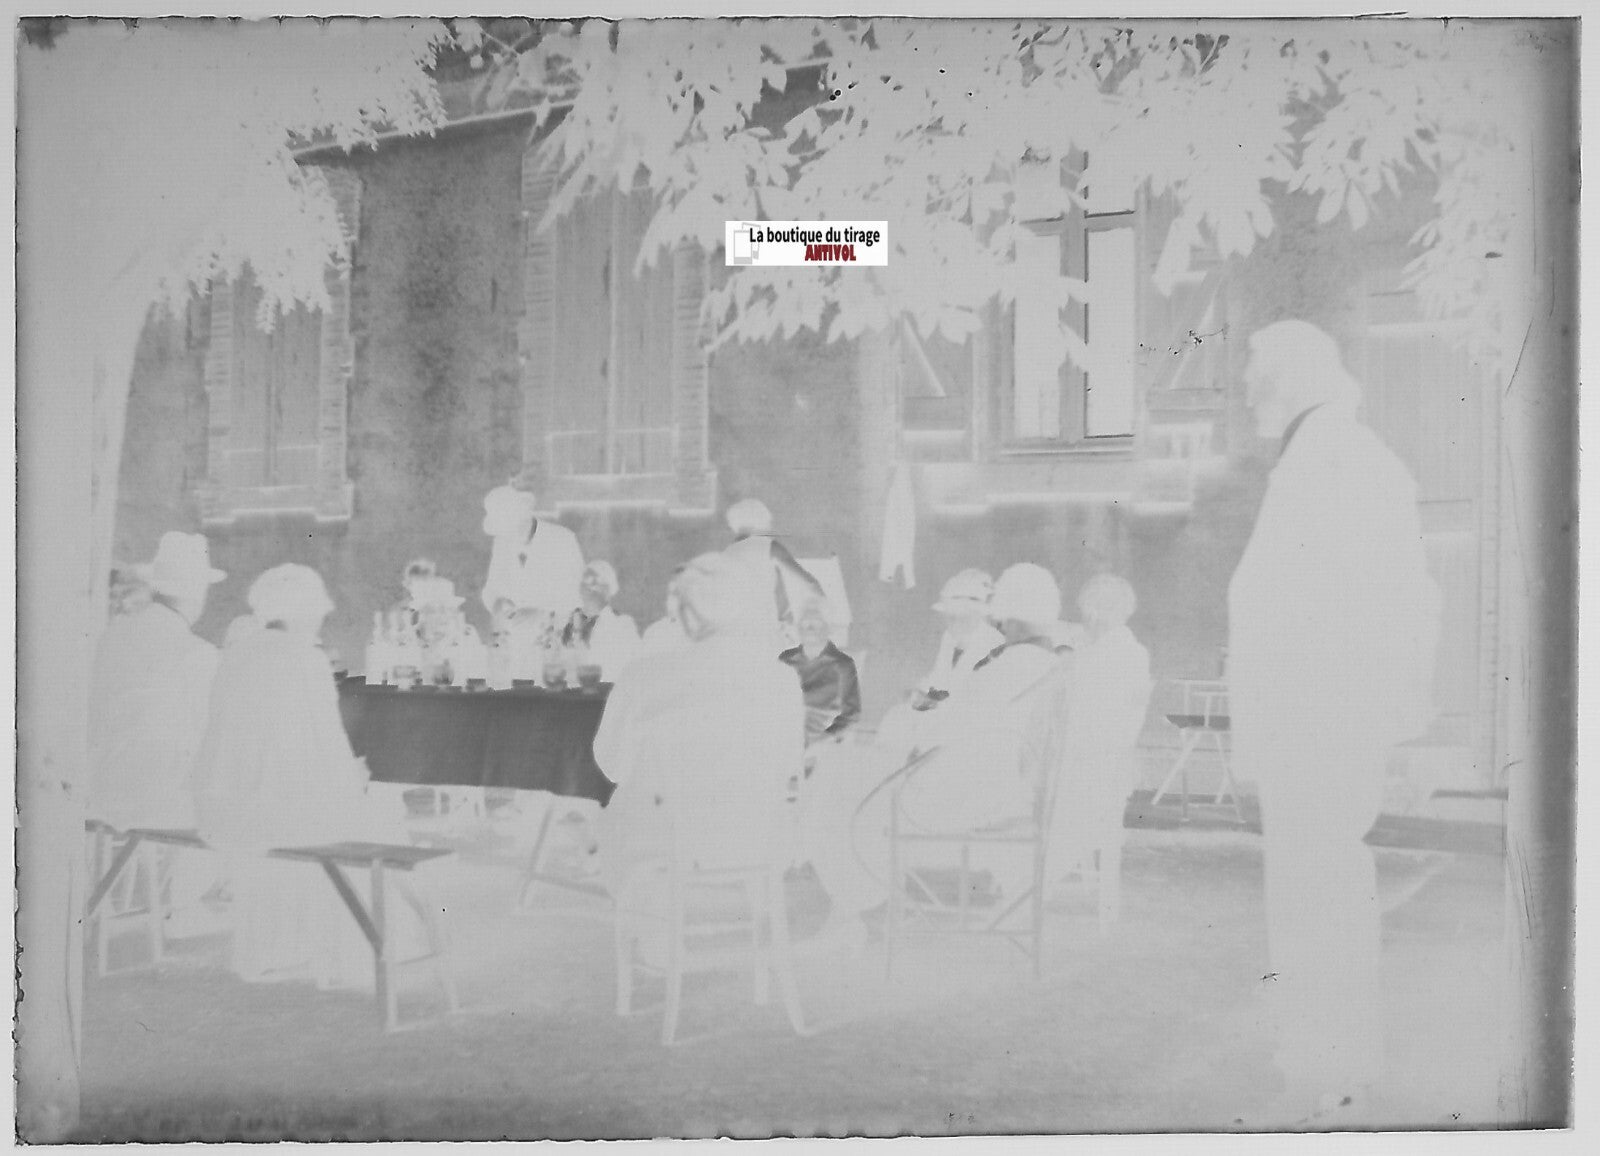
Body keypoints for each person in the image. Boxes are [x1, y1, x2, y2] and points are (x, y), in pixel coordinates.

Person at [1228, 319, 1441, 1125]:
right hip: (1308, 727)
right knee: (1312, 899)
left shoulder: (1343, 461)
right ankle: (1315, 1069)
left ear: (1289, 378)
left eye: (1255, 370)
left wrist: (1378, 722)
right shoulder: (1314, 459)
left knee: (1320, 901)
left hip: (1322, 724)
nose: (1246, 387)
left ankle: (1330, 1077)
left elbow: (1398, 604)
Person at [800, 563, 1068, 944]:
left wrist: (914, 732)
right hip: (985, 787)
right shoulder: (1038, 664)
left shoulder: (1009, 666)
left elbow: (948, 731)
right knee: (849, 776)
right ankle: (856, 900)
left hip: (965, 799)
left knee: (839, 783)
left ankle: (848, 914)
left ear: (1004, 613)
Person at [192, 564, 429, 987]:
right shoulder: (305, 658)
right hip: (277, 815)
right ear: (302, 612)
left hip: (224, 808)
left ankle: (287, 943)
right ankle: (374, 949)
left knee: (335, 802)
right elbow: (329, 749)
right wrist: (357, 778)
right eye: (316, 611)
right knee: (380, 806)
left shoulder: (237, 654)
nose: (321, 618)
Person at [592, 551, 806, 903]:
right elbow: (789, 765)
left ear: (687, 615)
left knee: (616, 811)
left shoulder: (643, 676)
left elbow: (611, 764)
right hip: (758, 844)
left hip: (662, 851)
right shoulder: (782, 679)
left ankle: (655, 932)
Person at [88, 531, 227, 934]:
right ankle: (183, 906)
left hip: (101, 785)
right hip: (156, 795)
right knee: (222, 791)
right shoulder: (195, 653)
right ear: (195, 595)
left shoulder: (113, 637)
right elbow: (211, 730)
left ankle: (164, 900)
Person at [1033, 574, 1152, 922]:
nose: (1091, 618)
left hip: (1101, 761)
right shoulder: (1099, 647)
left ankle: (1033, 883)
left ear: (1113, 613)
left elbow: (1107, 719)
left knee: (1047, 800)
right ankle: (1034, 878)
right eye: (1090, 610)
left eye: (1098, 611)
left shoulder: (1121, 654)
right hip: (1087, 756)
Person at [480, 484, 585, 633]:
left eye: (508, 528)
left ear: (522, 518)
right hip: (515, 638)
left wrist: (542, 614)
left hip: (556, 638)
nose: (505, 536)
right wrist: (497, 602)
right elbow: (491, 587)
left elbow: (579, 596)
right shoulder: (502, 541)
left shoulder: (562, 540)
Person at [721, 497, 826, 637]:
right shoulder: (769, 546)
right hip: (764, 625)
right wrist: (826, 603)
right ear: (761, 521)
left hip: (736, 628)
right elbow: (808, 582)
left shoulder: (728, 552)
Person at [779, 600, 862, 749]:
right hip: (784, 736)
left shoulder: (843, 664)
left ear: (828, 627)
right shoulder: (785, 660)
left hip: (822, 741)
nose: (810, 626)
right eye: (805, 620)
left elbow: (850, 714)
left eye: (816, 620)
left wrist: (823, 739)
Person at [560, 560, 642, 682]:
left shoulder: (623, 626)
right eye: (584, 581)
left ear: (608, 590)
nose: (587, 586)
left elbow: (630, 669)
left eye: (594, 582)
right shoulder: (565, 622)